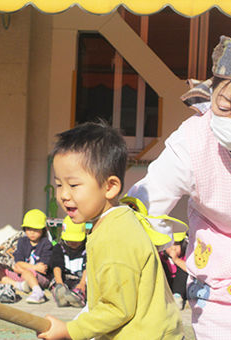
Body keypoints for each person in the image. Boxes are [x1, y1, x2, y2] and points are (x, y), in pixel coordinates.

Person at [127, 32, 231, 338]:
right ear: (213, 92)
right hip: (216, 295)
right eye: (225, 106)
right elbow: (144, 207)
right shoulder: (192, 142)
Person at [38, 122, 183, 340]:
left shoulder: (115, 236)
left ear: (110, 187)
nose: (64, 195)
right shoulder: (115, 223)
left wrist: (70, 331)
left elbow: (117, 308)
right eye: (59, 185)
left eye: (74, 185)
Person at [0, 209, 53, 304]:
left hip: (39, 277)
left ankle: (38, 292)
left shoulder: (46, 243)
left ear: (43, 230)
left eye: (36, 230)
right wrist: (33, 267)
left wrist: (23, 268)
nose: (32, 232)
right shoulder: (22, 241)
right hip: (23, 274)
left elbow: (43, 268)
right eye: (28, 229)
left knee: (26, 272)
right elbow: (18, 263)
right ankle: (19, 285)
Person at [50, 216, 87, 308]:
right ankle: (60, 295)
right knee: (56, 284)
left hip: (81, 279)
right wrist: (59, 283)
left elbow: (88, 266)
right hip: (64, 278)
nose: (73, 243)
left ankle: (79, 296)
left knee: (88, 285)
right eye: (70, 240)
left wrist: (82, 283)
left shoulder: (87, 247)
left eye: (76, 240)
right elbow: (57, 265)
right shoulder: (59, 247)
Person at [160, 235, 188, 310]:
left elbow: (189, 269)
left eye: (177, 244)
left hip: (180, 288)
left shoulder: (185, 256)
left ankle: (177, 298)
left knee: (183, 269)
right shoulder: (161, 256)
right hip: (168, 284)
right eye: (170, 245)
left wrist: (176, 259)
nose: (173, 248)